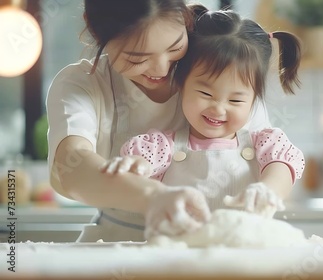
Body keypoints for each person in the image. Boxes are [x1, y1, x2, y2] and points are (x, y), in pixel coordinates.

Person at [46, 0, 271, 242]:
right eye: (137, 58)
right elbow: (72, 166)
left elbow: (264, 157)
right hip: (114, 245)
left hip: (210, 249)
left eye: (174, 48)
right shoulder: (82, 84)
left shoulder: (222, 71)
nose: (161, 69)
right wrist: (153, 197)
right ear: (95, 31)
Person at [101, 5, 305, 239]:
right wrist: (135, 167)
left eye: (236, 99)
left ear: (254, 101)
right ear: (180, 84)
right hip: (179, 258)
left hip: (246, 254)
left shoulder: (264, 142)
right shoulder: (161, 146)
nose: (218, 108)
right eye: (206, 94)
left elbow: (281, 170)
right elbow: (140, 165)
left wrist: (266, 190)